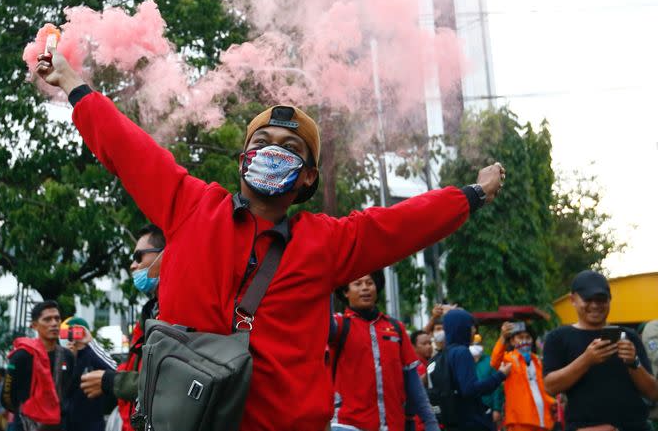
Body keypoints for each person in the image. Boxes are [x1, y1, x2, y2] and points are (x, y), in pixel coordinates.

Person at [34, 47, 505, 431]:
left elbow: (403, 224)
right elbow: (124, 145)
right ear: (243, 159)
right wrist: (74, 83)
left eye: (290, 148)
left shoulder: (328, 242)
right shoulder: (191, 205)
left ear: (307, 178)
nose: (273, 151)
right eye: (262, 143)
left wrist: (471, 195)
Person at [543, 270, 658, 431]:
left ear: (610, 300)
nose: (595, 305)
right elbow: (549, 387)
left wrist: (633, 362)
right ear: (573, 299)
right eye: (588, 299)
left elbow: (653, 393)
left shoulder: (629, 336)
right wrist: (586, 359)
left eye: (601, 299)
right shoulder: (558, 337)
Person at [79, 226, 164, 431]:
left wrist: (110, 382)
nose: (132, 265)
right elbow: (128, 373)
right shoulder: (149, 315)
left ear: (164, 256)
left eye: (138, 256)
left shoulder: (177, 314)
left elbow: (164, 385)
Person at [329, 272, 438, 431]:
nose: (365, 288)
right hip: (348, 424)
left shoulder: (396, 328)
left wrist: (431, 422)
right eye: (358, 284)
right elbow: (322, 319)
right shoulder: (339, 325)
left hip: (392, 424)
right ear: (345, 292)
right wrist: (326, 282)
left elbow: (413, 382)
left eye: (369, 283)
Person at [3, 301, 77, 431]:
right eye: (47, 319)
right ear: (34, 325)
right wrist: (23, 411)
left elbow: (70, 391)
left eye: (57, 318)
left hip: (59, 424)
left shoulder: (67, 356)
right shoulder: (22, 356)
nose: (54, 323)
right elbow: (6, 395)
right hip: (25, 424)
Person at [438, 309, 510, 431]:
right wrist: (500, 375)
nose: (474, 331)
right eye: (470, 327)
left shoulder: (441, 355)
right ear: (461, 328)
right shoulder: (461, 352)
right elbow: (470, 389)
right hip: (470, 422)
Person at [490, 323, 553, 431]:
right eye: (520, 337)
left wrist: (552, 401)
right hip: (520, 421)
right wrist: (503, 338)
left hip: (543, 419)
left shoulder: (537, 361)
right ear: (512, 341)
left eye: (528, 337)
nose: (524, 341)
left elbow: (542, 387)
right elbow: (495, 362)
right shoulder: (508, 359)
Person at [61, 316, 118, 431]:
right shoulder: (65, 355)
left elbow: (115, 371)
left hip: (92, 423)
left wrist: (91, 342)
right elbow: (62, 388)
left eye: (77, 331)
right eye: (70, 332)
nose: (73, 335)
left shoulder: (94, 355)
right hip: (68, 424)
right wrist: (70, 361)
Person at [469, 335, 503, 426]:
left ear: (482, 345)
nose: (475, 346)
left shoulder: (490, 361)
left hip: (488, 410)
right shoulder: (466, 361)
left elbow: (497, 387)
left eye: (478, 344)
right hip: (471, 410)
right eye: (473, 344)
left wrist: (497, 409)